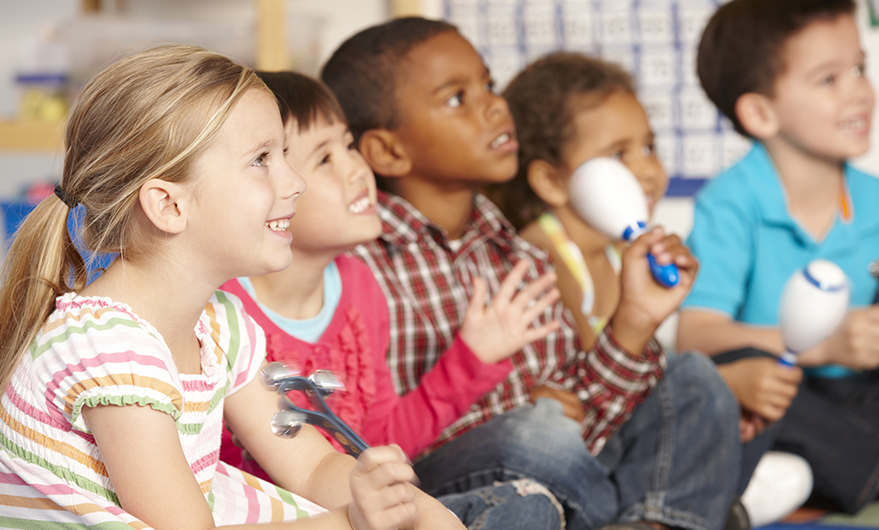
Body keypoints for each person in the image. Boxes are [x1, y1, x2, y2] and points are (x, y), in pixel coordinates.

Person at [0, 45, 465, 530]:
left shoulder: (218, 324)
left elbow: (310, 466)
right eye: (262, 159)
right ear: (169, 206)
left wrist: (415, 508)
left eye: (284, 154)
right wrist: (355, 523)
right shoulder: (107, 350)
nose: (296, 181)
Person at [323, 18, 748, 530]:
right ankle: (679, 510)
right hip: (450, 490)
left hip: (563, 473)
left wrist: (634, 320)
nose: (494, 105)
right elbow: (371, 443)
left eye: (488, 85)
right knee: (537, 432)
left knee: (694, 380)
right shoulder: (358, 264)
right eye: (457, 97)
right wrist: (525, 413)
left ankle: (653, 518)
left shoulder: (517, 254)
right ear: (389, 151)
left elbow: (584, 421)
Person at [218, 70, 564, 530]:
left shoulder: (359, 286)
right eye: (324, 159)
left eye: (348, 145)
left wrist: (471, 360)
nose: (357, 169)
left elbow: (376, 443)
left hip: (357, 507)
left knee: (526, 504)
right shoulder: (222, 308)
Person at [488, 50, 812, 528]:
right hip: (579, 452)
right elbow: (592, 392)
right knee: (702, 378)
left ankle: (708, 499)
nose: (646, 169)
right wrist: (721, 387)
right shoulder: (544, 255)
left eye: (649, 146)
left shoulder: (620, 253)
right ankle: (710, 505)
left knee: (745, 388)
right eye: (619, 154)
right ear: (552, 181)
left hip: (622, 439)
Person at [678, 0, 879, 515]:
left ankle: (812, 471)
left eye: (860, 69)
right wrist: (823, 346)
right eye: (829, 80)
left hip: (866, 402)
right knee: (732, 373)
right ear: (760, 112)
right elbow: (697, 337)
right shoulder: (731, 202)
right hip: (781, 402)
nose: (860, 92)